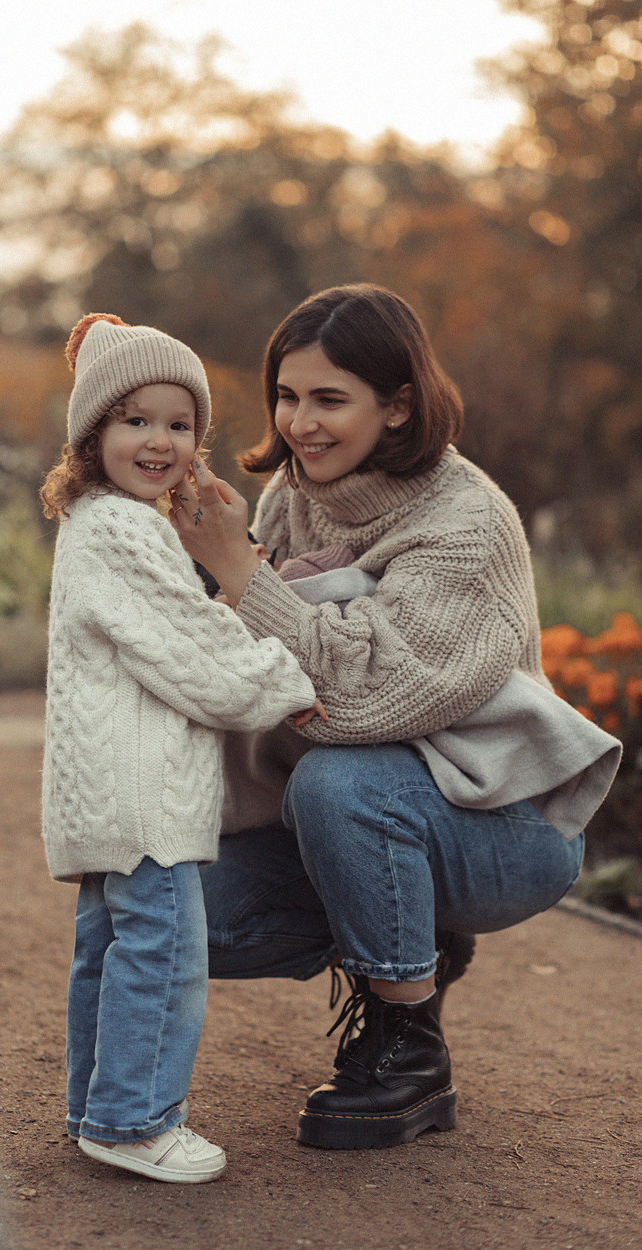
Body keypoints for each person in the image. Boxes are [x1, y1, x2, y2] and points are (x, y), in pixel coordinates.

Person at [168, 284, 620, 1151]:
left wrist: (244, 576)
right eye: (288, 396)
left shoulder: (465, 521)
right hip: (359, 817)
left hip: (501, 827)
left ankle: (408, 1049)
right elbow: (250, 665)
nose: (301, 423)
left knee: (342, 781)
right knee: (177, 905)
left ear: (398, 403)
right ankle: (408, 935)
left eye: (329, 399)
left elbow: (360, 705)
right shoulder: (291, 500)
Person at [39, 313, 321, 1183]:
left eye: (178, 423)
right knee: (161, 953)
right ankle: (134, 1122)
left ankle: (97, 1107)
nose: (157, 441)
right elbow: (189, 650)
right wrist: (293, 684)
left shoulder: (103, 523)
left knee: (112, 949)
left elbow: (173, 628)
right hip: (141, 793)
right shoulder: (123, 531)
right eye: (133, 421)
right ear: (92, 434)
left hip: (106, 792)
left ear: (198, 440)